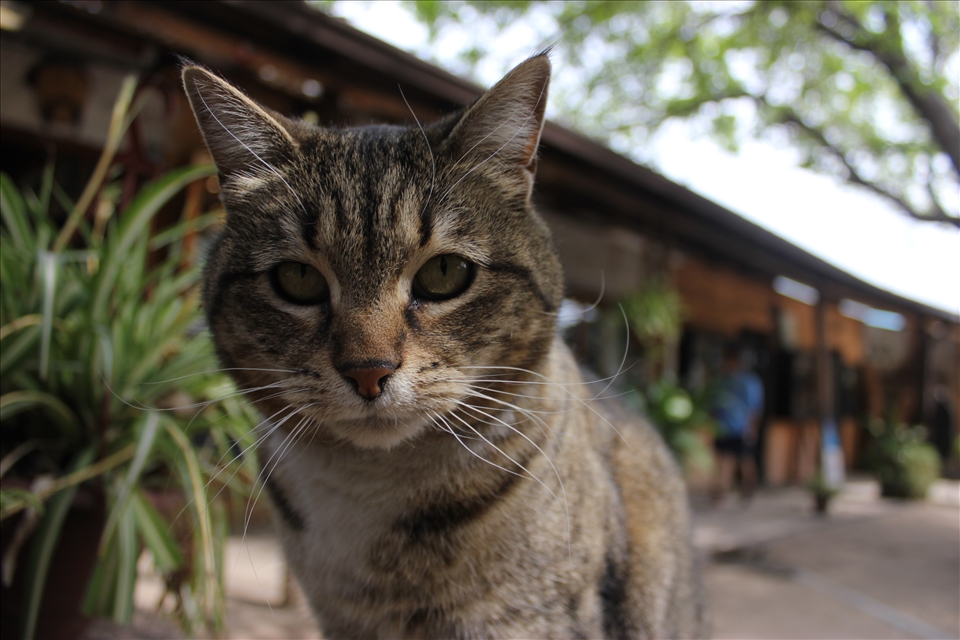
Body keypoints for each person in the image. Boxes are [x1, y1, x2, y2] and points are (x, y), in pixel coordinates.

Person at [710, 344, 764, 504]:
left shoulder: (748, 382)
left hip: (741, 428)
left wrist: (753, 428)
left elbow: (755, 407)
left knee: (745, 460)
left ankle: (748, 489)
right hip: (723, 428)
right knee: (723, 460)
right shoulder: (720, 381)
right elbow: (714, 405)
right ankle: (720, 490)